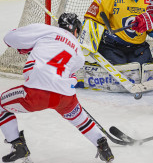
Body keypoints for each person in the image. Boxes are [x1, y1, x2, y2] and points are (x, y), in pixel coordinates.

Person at [0, 13, 114, 162]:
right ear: (75, 31)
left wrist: (28, 45)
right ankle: (103, 146)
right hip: (65, 97)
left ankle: (17, 145)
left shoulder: (47, 30)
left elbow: (9, 38)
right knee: (80, 120)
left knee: (2, 106)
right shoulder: (79, 53)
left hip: (37, 93)